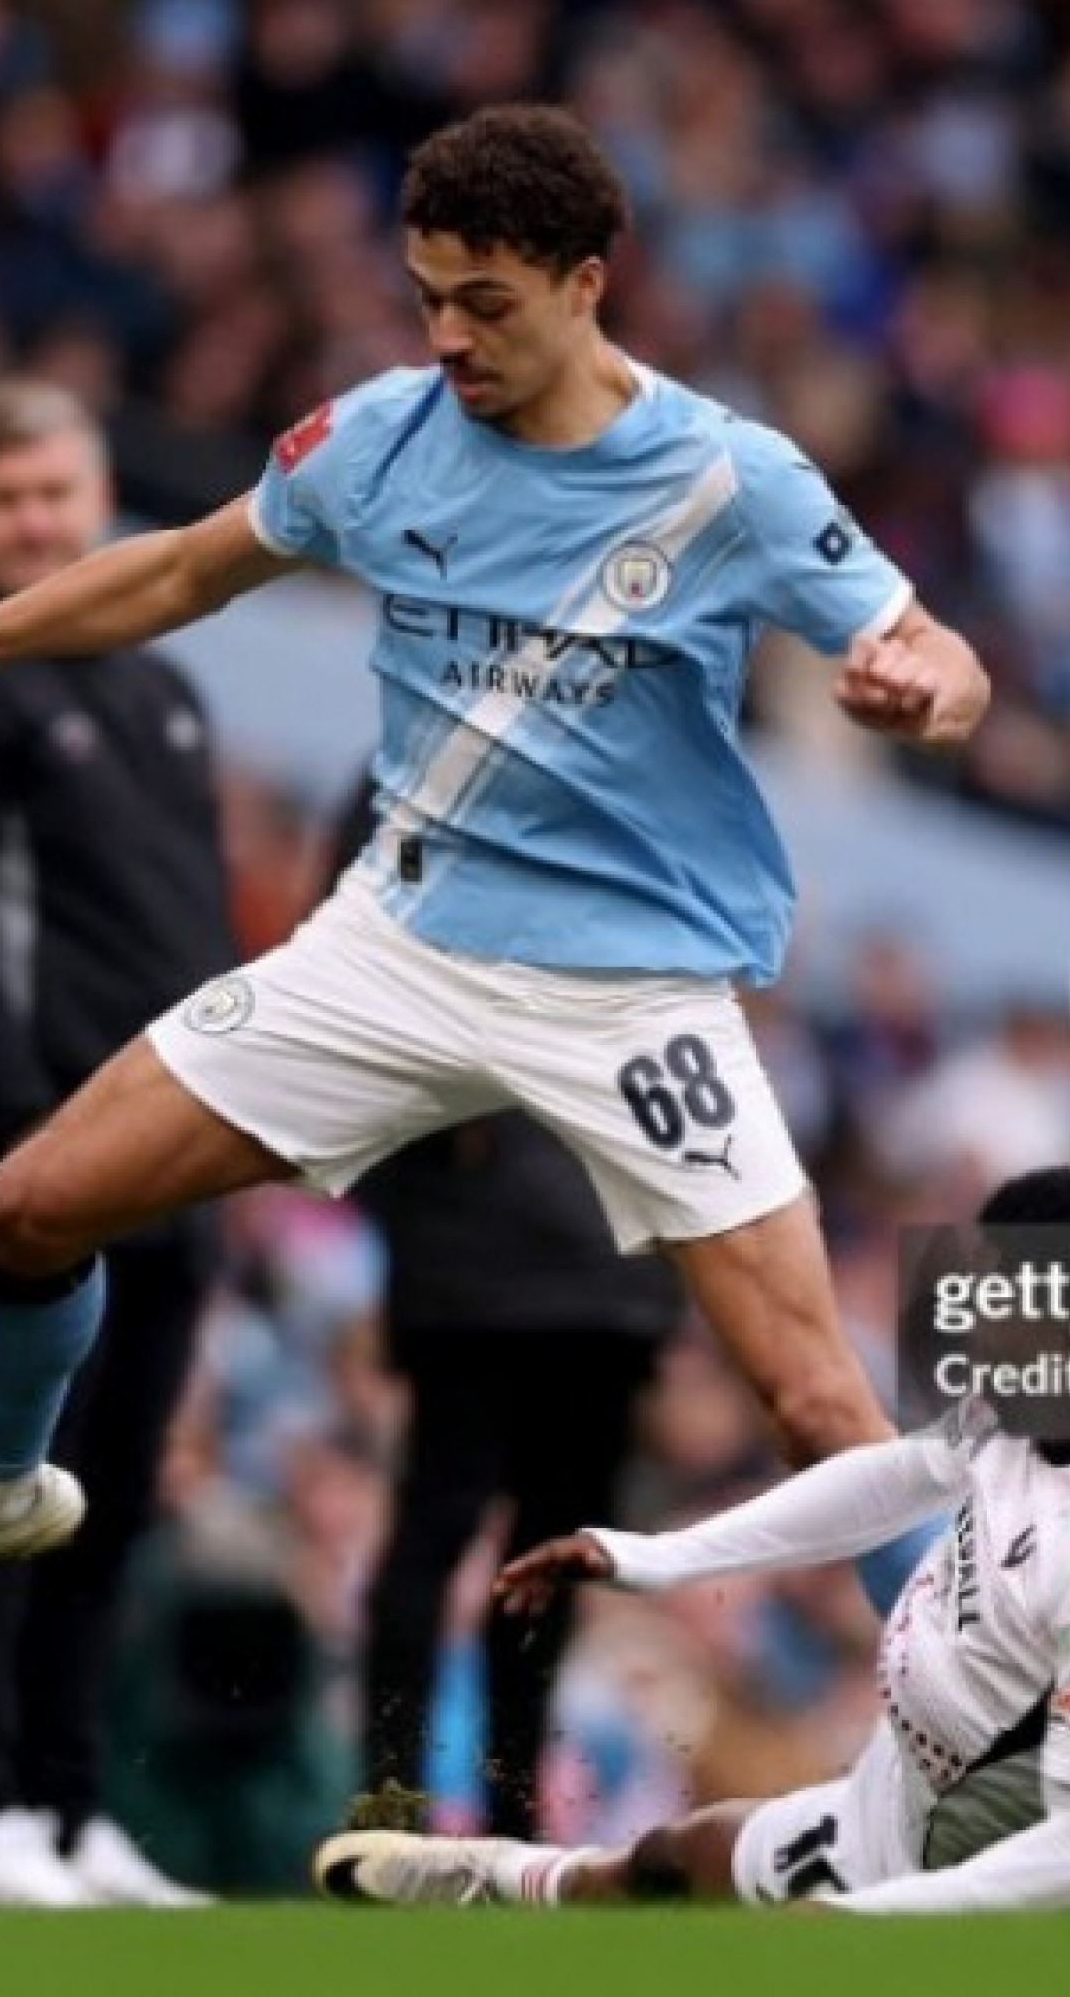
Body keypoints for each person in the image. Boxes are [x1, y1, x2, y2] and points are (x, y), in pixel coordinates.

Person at [0, 104, 988, 1641]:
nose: (449, 336)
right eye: (427, 297)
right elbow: (170, 570)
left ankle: (1007, 1701)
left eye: (486, 304)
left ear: (583, 284)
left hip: (629, 994)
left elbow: (937, 653)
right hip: (396, 946)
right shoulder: (375, 438)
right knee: (25, 1209)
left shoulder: (727, 480)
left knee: (822, 1401)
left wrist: (927, 692)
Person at [313, 1168, 1070, 1915]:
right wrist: (647, 1555)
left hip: (999, 1866)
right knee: (678, 1855)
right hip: (921, 1771)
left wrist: (864, 1920)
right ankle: (485, 1882)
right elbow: (899, 1473)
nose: (973, 1319)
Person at [0, 380, 226, 1905]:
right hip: (43, 1143)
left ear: (98, 495)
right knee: (1, 1481)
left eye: (57, 496)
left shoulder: (155, 682)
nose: (35, 523)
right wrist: (25, 1141)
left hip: (183, 1142)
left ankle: (72, 1811)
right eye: (6, 501)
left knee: (121, 1487)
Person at [326, 782, 681, 1835]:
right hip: (494, 1247)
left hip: (593, 1248)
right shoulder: (424, 760)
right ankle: (399, 1807)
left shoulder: (641, 783)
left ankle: (482, 1817)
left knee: (541, 1543)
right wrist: (436, 1152)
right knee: (452, 1529)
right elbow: (344, 965)